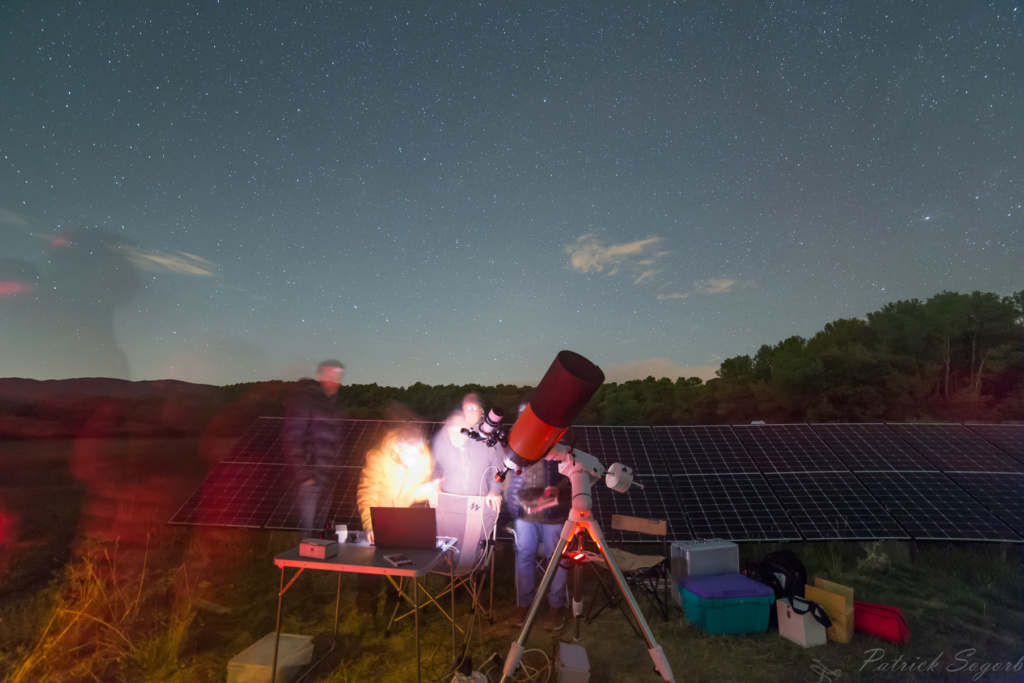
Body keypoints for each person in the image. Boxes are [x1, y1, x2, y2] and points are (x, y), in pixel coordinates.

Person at [506, 453, 571, 631]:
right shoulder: (523, 440)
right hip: (524, 512)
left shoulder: (564, 438)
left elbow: (575, 473)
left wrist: (561, 489)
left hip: (554, 511)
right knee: (524, 556)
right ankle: (525, 605)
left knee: (556, 558)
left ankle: (555, 606)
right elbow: (509, 473)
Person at [282, 359, 344, 535]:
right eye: (330, 375)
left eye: (338, 376)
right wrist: (304, 476)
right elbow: (292, 437)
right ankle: (301, 562)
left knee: (318, 534)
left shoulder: (334, 403)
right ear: (320, 376)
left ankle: (315, 562)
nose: (334, 380)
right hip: (309, 481)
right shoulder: (305, 399)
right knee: (307, 535)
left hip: (327, 479)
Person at [357, 422, 436, 545]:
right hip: (378, 518)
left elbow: (416, 491)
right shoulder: (379, 458)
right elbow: (367, 492)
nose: (413, 459)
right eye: (408, 454)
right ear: (397, 449)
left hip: (401, 521)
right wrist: (371, 524)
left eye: (416, 454)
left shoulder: (423, 459)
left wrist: (421, 493)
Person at [431, 393, 505, 509]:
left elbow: (499, 466)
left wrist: (494, 491)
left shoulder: (490, 436)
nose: (470, 412)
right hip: (449, 500)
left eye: (474, 408)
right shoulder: (450, 430)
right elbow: (438, 465)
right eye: (467, 408)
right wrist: (435, 486)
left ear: (482, 411)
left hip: (478, 503)